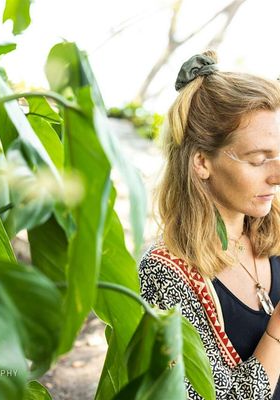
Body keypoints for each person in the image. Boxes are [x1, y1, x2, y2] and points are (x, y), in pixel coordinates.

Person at [138, 50, 280, 399]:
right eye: (258, 160)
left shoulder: (273, 229)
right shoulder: (165, 274)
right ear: (202, 162)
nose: (277, 176)